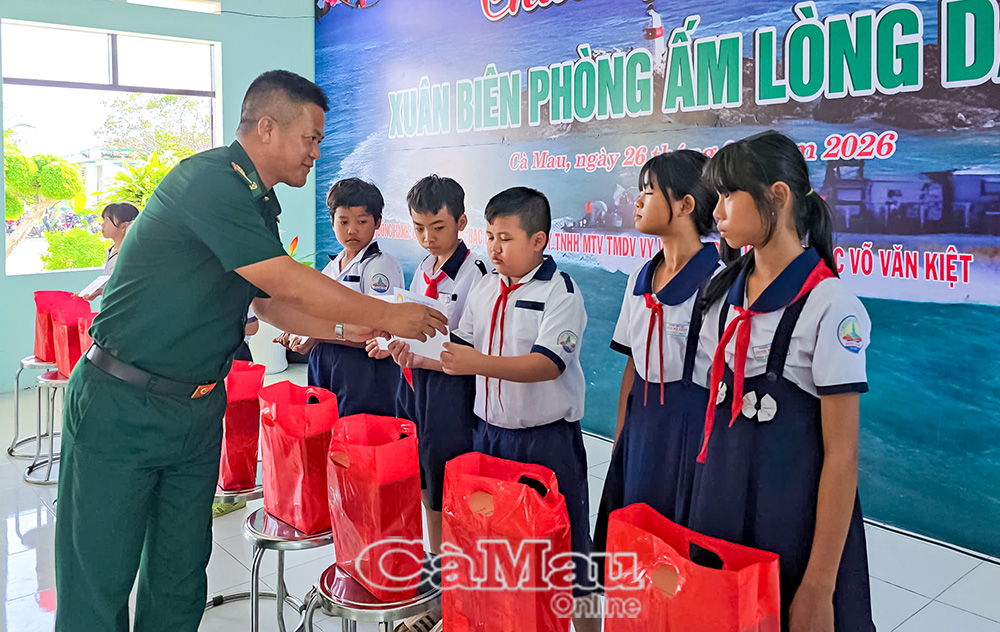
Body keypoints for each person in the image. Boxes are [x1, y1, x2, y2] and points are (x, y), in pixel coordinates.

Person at [53, 69, 446, 632]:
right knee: (99, 575)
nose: (316, 152)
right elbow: (284, 281)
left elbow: (267, 303)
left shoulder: (260, 205)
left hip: (196, 409)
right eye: (310, 137)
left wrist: (358, 332)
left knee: (180, 573)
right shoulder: (208, 182)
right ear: (267, 127)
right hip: (123, 403)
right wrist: (385, 313)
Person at [689, 130, 875, 632]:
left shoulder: (832, 307)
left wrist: (818, 585)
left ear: (778, 196)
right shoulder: (721, 291)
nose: (717, 210)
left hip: (792, 518)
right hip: (720, 500)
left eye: (729, 195)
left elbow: (842, 456)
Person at [440, 187, 599, 632]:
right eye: (489, 235)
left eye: (505, 238)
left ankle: (586, 626)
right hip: (489, 438)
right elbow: (462, 347)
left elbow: (548, 364)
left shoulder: (561, 292)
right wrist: (415, 351)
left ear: (538, 241)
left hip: (546, 441)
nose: (493, 247)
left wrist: (475, 363)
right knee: (497, 542)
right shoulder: (486, 286)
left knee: (567, 547)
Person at [592, 151, 721, 553]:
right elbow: (633, 366)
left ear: (686, 205)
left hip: (692, 433)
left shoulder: (719, 283)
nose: (638, 201)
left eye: (649, 191)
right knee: (629, 544)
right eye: (639, 191)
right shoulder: (639, 277)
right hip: (641, 424)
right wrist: (620, 439)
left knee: (677, 549)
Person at [369, 174, 487, 554]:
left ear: (461, 223)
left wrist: (421, 356)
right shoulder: (422, 269)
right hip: (413, 381)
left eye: (438, 227)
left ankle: (451, 569)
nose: (428, 237)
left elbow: (473, 348)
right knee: (420, 472)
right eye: (419, 228)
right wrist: (392, 344)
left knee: (446, 477)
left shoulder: (477, 274)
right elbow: (412, 326)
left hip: (451, 391)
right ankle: (433, 558)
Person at [277, 178, 404, 416]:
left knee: (358, 438)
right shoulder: (332, 267)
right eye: (343, 221)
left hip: (363, 369)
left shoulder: (379, 265)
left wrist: (315, 334)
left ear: (378, 222)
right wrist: (298, 330)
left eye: (362, 222)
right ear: (332, 221)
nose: (351, 230)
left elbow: (375, 330)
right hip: (326, 362)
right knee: (325, 431)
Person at [77, 202, 139, 300]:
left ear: (125, 225)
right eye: (103, 220)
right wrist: (98, 291)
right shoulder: (111, 251)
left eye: (107, 220)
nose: (102, 225)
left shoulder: (131, 254)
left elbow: (129, 288)